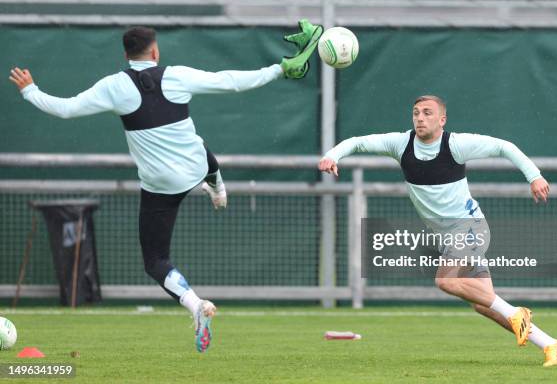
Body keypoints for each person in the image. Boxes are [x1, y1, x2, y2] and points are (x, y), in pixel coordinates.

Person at [9, 22, 322, 353]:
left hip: (161, 184)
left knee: (156, 261)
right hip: (196, 166)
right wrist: (280, 69)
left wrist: (30, 90)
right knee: (200, 148)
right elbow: (230, 82)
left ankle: (195, 304)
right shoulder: (176, 76)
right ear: (155, 52)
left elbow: (67, 108)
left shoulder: (115, 86)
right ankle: (217, 187)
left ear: (126, 55)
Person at [318, 95, 557, 367]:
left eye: (427, 113)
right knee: (483, 304)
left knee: (446, 281)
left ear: (442, 119)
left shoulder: (456, 145)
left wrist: (534, 176)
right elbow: (358, 142)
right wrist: (332, 155)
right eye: (416, 113)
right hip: (450, 236)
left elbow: (504, 147)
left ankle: (517, 312)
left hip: (469, 227)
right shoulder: (401, 144)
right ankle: (551, 344)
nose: (420, 118)